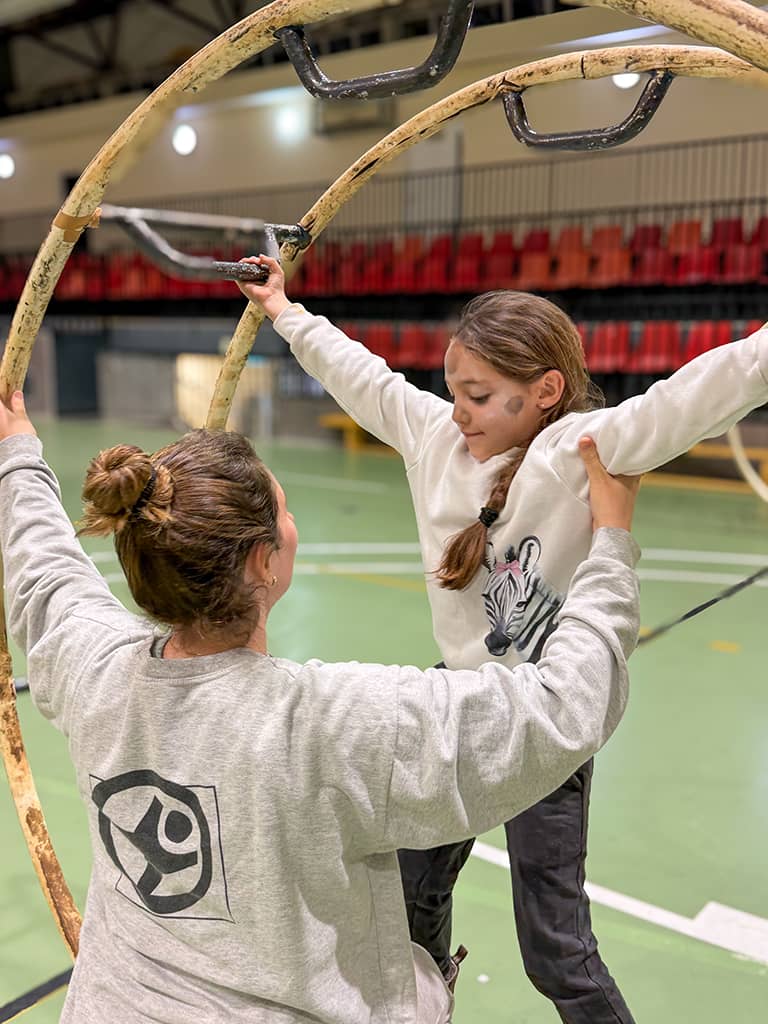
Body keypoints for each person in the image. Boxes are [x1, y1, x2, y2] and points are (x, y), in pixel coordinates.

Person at [237, 254, 768, 1024]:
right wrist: (284, 310)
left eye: (480, 396)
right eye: (454, 391)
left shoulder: (583, 450)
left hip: (546, 722)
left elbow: (702, 392)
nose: (458, 411)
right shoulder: (432, 438)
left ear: (546, 391)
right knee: (413, 894)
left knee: (556, 949)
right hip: (454, 705)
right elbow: (360, 373)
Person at [0, 388, 641, 1024]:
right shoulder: (336, 723)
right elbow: (560, 708)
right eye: (283, 512)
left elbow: (43, 567)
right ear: (263, 563)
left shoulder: (92, 667)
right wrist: (609, 542)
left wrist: (15, 445)